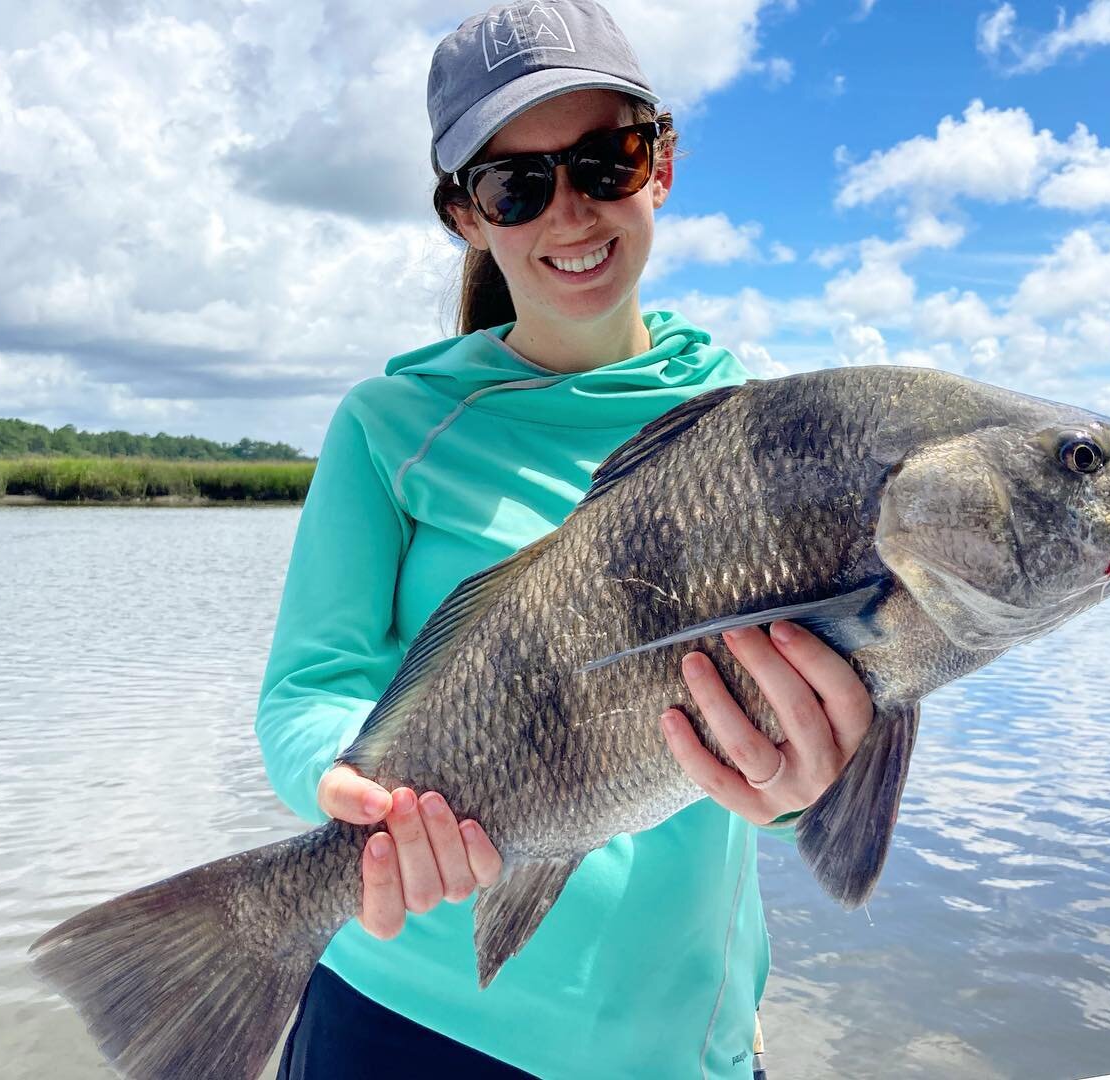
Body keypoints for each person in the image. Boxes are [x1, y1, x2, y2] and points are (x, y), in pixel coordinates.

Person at [256, 2, 874, 1077]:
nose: (570, 213)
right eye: (518, 185)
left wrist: (802, 790)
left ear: (662, 164)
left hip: (669, 1041)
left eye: (606, 161)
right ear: (465, 214)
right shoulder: (386, 427)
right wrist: (344, 788)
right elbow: (310, 686)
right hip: (395, 1012)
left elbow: (791, 764)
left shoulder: (768, 434)